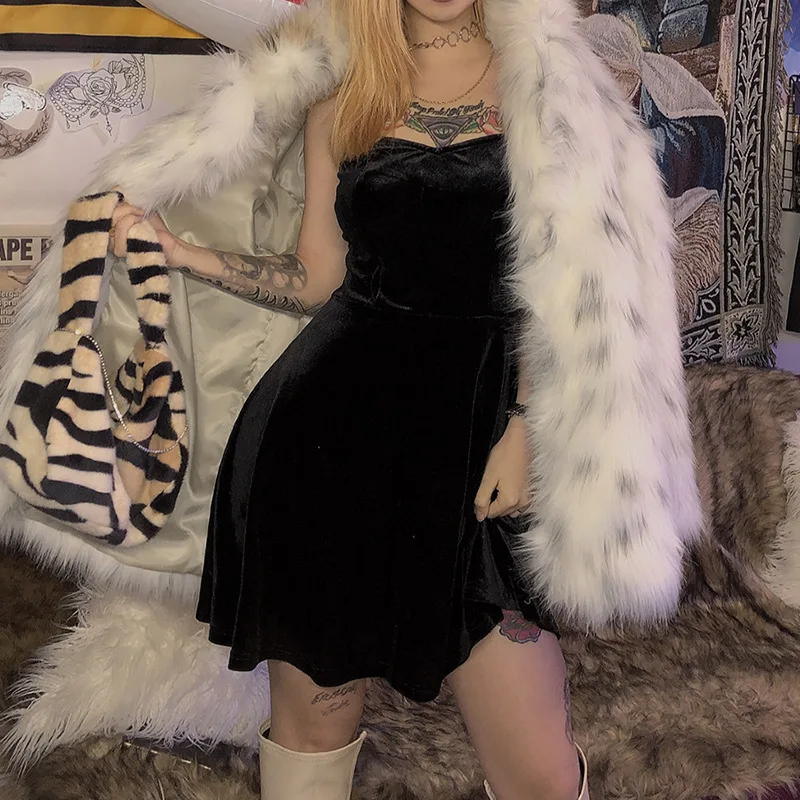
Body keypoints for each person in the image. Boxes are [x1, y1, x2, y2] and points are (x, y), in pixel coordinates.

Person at [105, 0, 696, 798]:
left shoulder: (552, 78)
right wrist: (186, 255)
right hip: (328, 447)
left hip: (486, 437)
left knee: (539, 772)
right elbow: (319, 275)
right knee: (311, 741)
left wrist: (527, 424)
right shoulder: (343, 92)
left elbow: (579, 277)